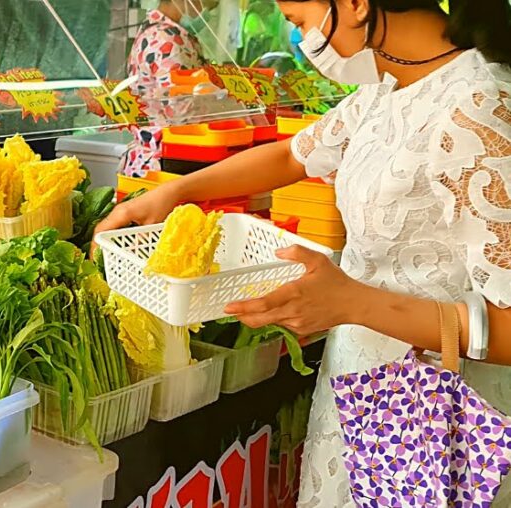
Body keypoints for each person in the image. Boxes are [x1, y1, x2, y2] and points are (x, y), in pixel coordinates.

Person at [95, 0, 511, 505]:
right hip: (363, 393)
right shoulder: (388, 88)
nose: (302, 42)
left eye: (298, 21)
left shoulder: (478, 106)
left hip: (432, 415)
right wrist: (172, 193)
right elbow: (294, 154)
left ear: (355, 5)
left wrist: (350, 303)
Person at [122, 0, 210, 177]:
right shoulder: (167, 40)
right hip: (163, 162)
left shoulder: (157, 31)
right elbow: (180, 108)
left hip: (157, 159)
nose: (204, 10)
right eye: (205, 2)